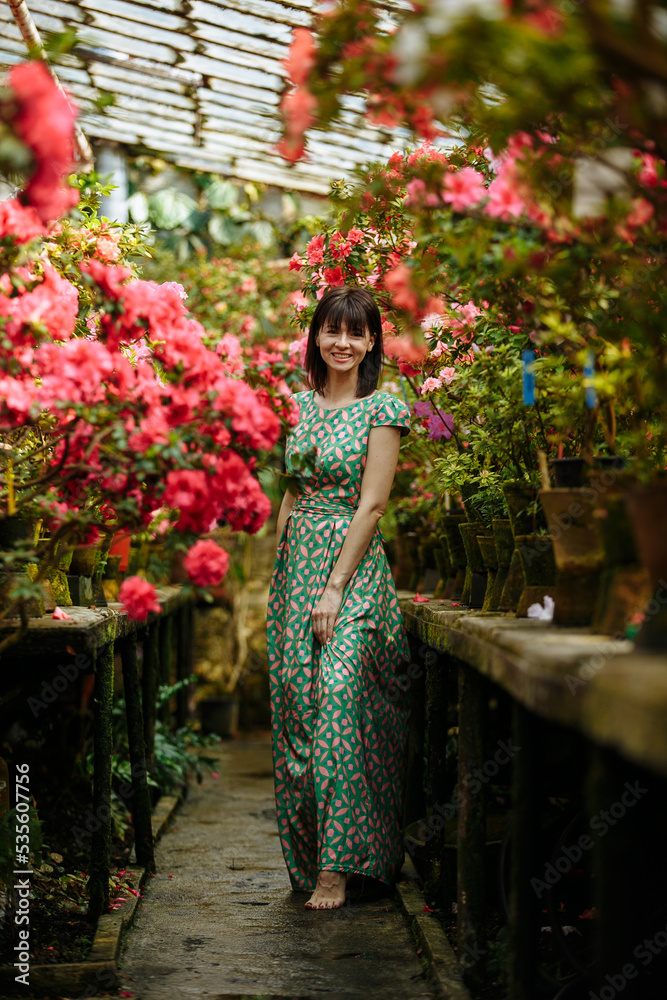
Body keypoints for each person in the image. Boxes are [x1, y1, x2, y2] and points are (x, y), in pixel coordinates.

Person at [266, 285, 412, 911]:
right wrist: (278, 572)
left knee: (341, 698)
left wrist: (332, 586)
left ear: (372, 341)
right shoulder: (300, 404)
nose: (343, 343)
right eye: (332, 330)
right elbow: (292, 494)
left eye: (356, 332)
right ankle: (309, 857)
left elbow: (374, 503)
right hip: (296, 568)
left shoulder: (384, 407)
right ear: (316, 337)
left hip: (351, 572)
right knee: (300, 713)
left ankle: (341, 868)